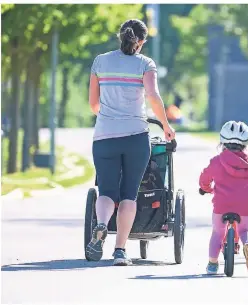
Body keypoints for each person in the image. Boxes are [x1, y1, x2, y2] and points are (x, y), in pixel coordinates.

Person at [86, 19, 175, 266]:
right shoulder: (145, 64)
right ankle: (119, 251)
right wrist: (166, 126)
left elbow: (94, 104)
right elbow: (153, 96)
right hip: (136, 136)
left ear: (120, 36)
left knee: (106, 190)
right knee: (129, 195)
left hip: (104, 137)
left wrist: (109, 116)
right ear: (142, 41)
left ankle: (102, 224)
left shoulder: (100, 61)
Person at [199, 121, 248, 274]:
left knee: (217, 233)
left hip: (221, 206)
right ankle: (246, 243)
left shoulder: (216, 162)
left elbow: (205, 177)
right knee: (243, 230)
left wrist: (205, 188)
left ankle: (212, 264)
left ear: (223, 142)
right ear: (245, 144)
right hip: (242, 207)